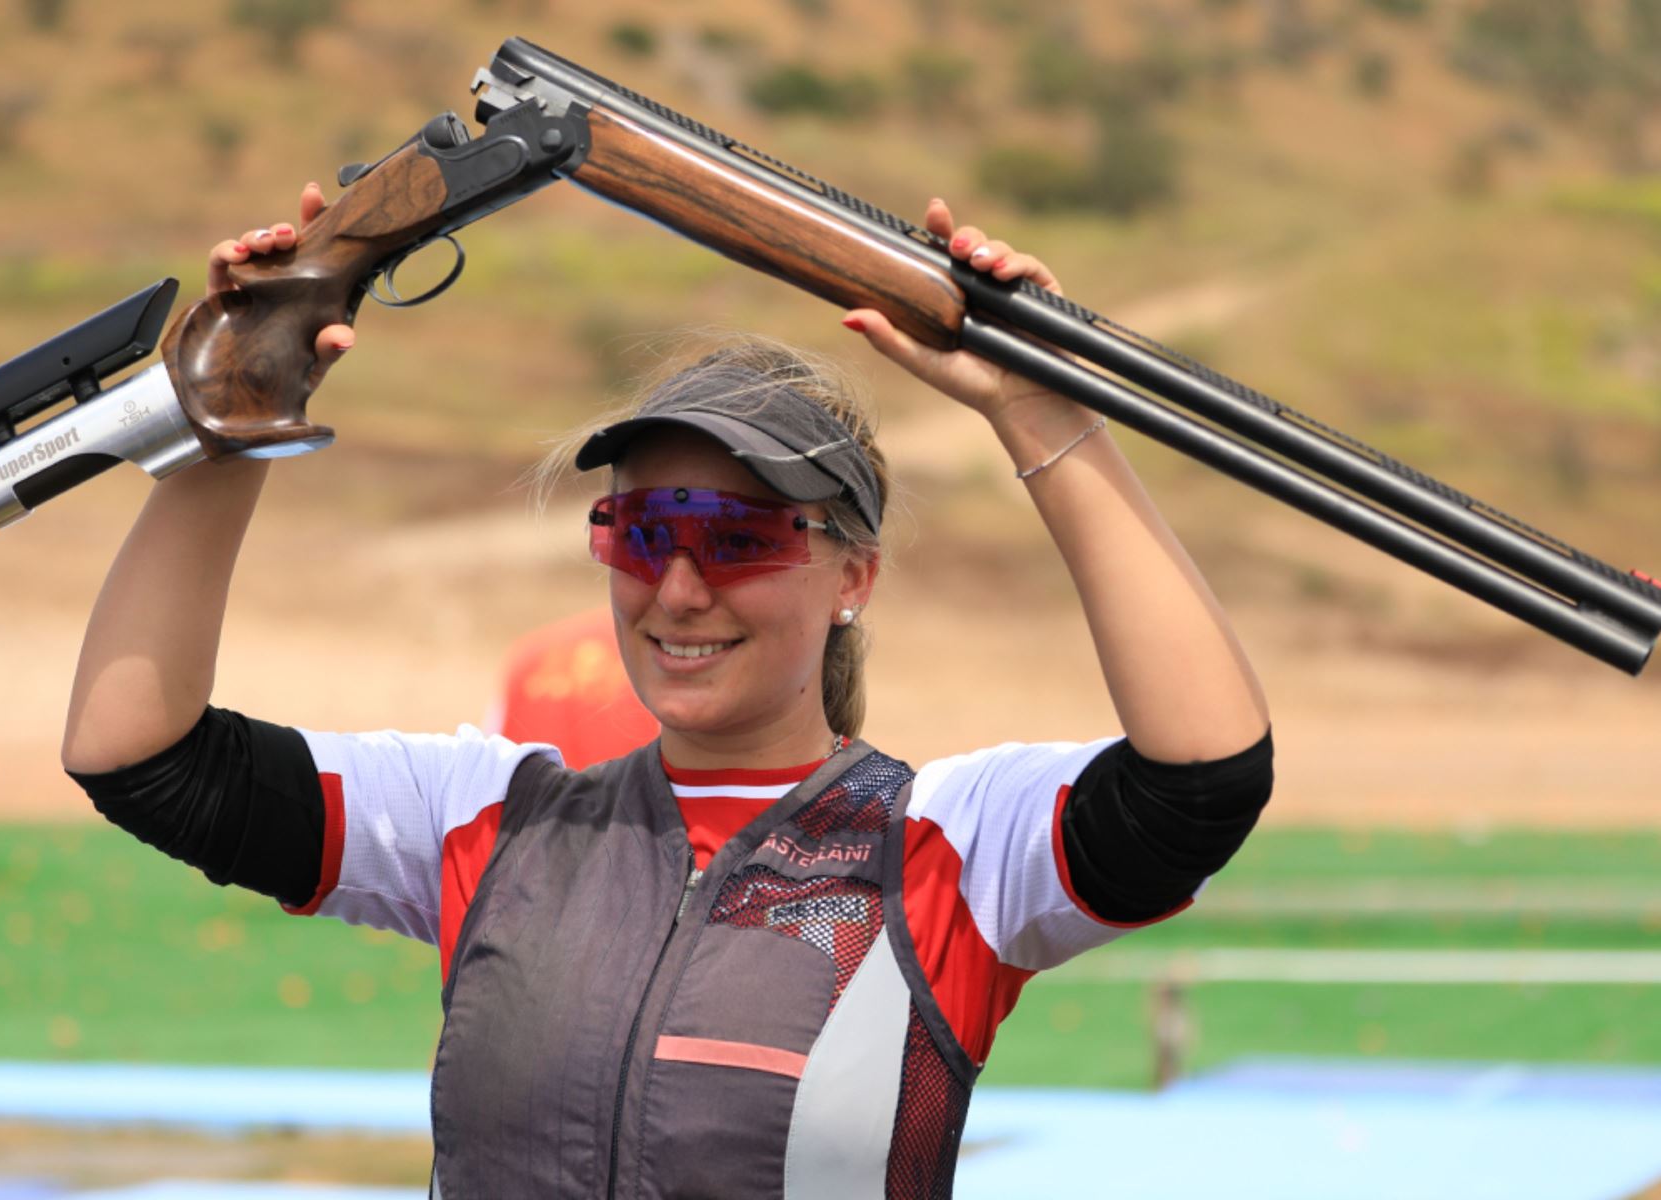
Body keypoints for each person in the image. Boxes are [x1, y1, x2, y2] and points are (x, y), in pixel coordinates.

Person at [61, 182, 1273, 1199]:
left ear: (855, 575)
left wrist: (1040, 409)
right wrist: (235, 417)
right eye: (642, 534)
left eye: (740, 539)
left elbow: (1203, 774)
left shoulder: (949, 845)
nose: (680, 591)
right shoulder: (489, 819)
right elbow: (138, 754)